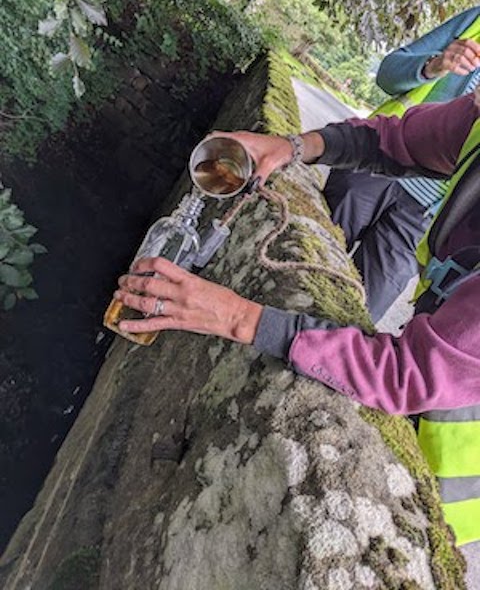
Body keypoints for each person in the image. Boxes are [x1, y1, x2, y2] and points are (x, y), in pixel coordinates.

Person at [113, 87, 480, 570]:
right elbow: (394, 141)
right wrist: (292, 146)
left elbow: (404, 373)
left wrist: (234, 314)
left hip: (450, 464)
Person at [323, 6, 480, 322]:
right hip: (374, 167)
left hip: (422, 219)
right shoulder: (476, 22)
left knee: (350, 322)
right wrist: (436, 64)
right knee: (303, 255)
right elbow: (388, 72)